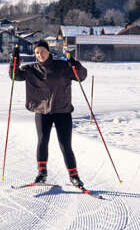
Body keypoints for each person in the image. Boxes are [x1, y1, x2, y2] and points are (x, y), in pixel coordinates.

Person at [10, 39, 88, 188]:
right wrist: (13, 60)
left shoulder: (63, 66)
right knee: (42, 142)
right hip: (42, 111)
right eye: (37, 53)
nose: (40, 55)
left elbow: (81, 76)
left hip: (62, 111)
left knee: (65, 144)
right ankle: (42, 173)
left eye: (43, 52)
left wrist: (74, 63)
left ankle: (74, 176)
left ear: (48, 52)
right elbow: (15, 76)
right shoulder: (31, 69)